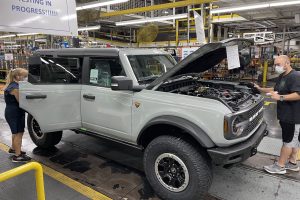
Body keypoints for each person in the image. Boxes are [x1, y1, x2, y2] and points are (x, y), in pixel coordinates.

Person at [254, 55, 300, 174]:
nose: (276, 67)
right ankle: (293, 163)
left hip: (293, 116)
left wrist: (280, 97)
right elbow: (275, 89)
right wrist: (260, 89)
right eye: (275, 65)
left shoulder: (295, 76)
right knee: (293, 140)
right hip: (285, 115)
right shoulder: (282, 76)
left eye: (278, 65)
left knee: (288, 141)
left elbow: (298, 94)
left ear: (287, 63)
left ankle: (280, 166)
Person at [3, 68, 31, 162]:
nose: (25, 78)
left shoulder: (11, 85)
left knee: (15, 132)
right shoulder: (15, 88)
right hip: (15, 113)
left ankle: (13, 149)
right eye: (24, 76)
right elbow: (21, 102)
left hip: (11, 112)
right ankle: (17, 156)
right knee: (19, 133)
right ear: (17, 76)